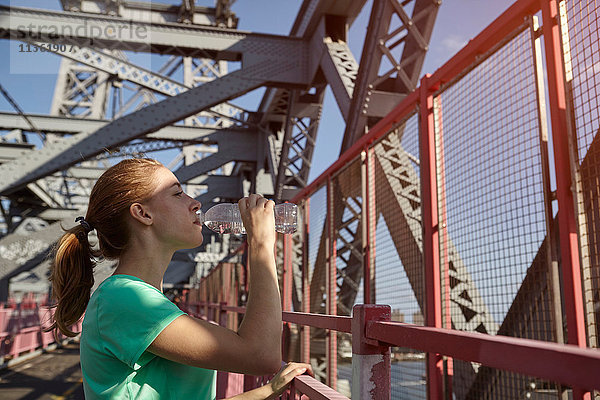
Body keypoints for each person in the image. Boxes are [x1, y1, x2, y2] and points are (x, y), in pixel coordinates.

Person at [47, 158, 311, 399]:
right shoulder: (123, 299)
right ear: (143, 214)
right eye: (177, 193)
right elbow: (261, 355)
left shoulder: (139, 299)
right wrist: (261, 243)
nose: (195, 202)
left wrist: (269, 390)